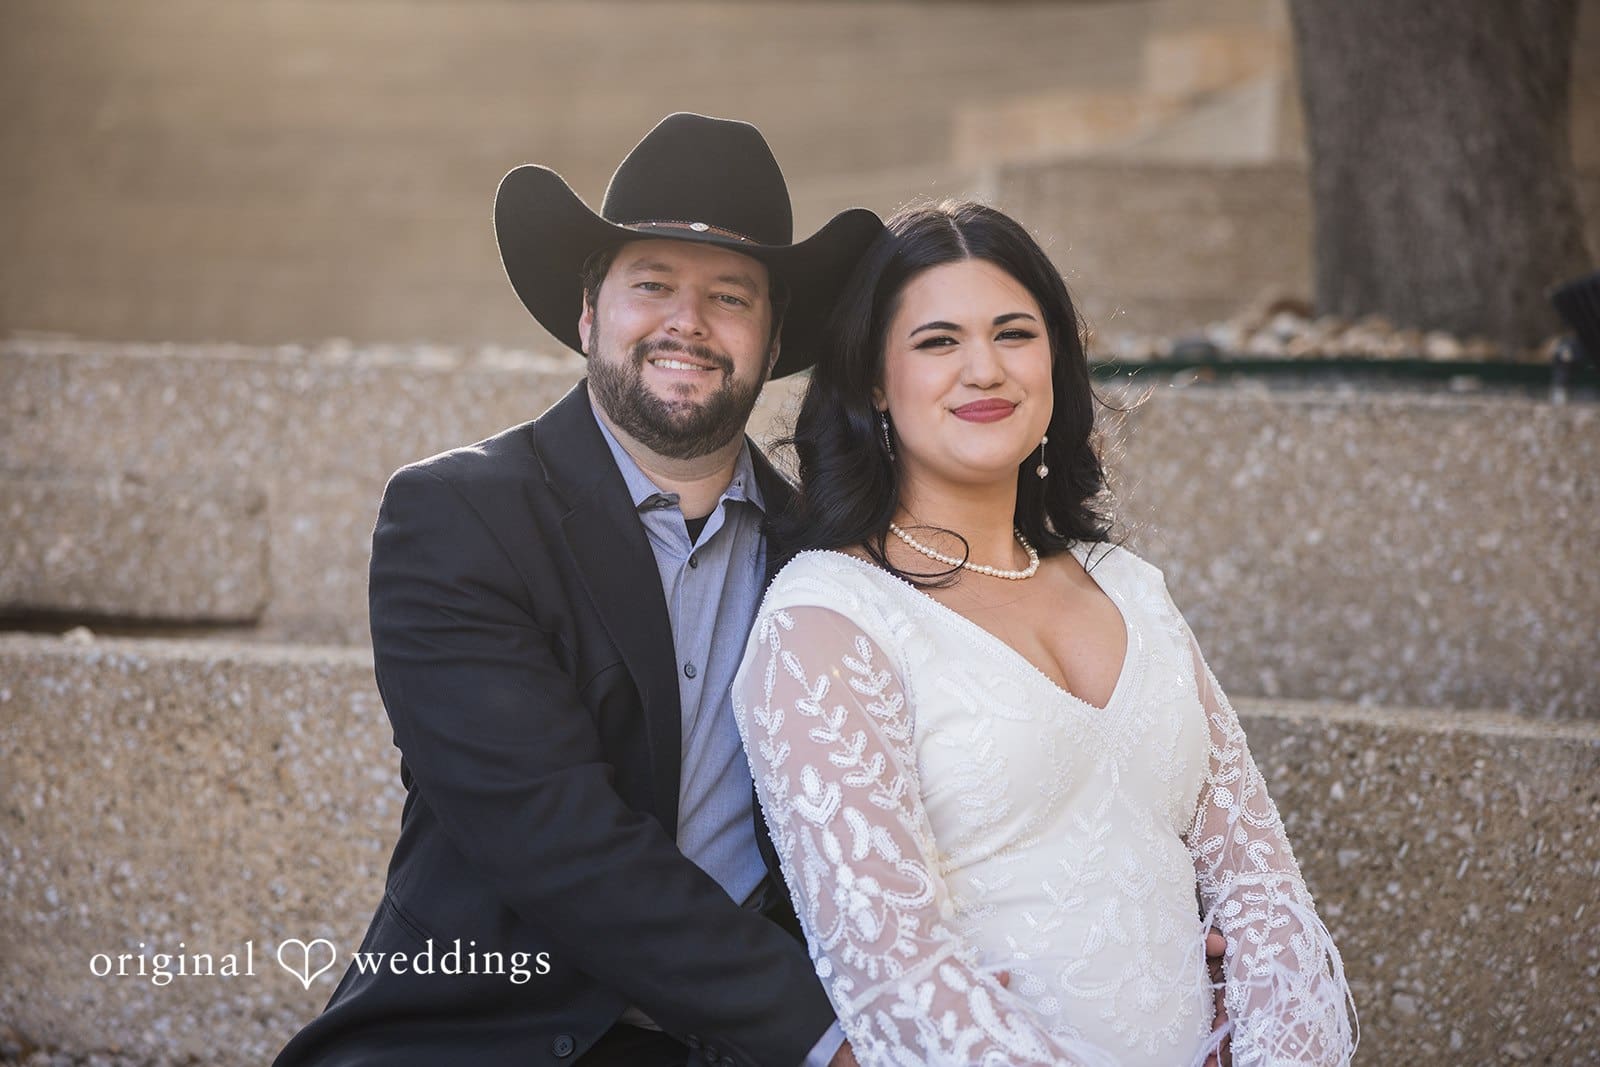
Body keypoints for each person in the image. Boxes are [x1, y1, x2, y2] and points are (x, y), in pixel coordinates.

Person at [273, 113, 883, 1067]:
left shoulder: (831, 558)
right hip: (483, 1034)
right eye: (653, 285)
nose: (689, 321)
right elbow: (557, 837)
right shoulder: (456, 517)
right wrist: (833, 1037)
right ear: (591, 313)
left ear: (771, 343)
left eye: (730, 296)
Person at [732, 201, 1357, 1067]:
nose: (983, 369)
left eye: (1014, 333)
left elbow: (1263, 892)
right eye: (938, 341)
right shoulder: (826, 620)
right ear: (876, 380)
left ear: (1055, 358)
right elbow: (895, 969)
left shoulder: (1130, 589)